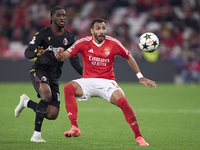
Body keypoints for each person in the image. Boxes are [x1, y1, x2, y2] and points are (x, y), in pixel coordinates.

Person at [54, 18, 157, 146]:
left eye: (103, 28)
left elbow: (128, 57)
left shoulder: (113, 43)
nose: (101, 31)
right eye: (98, 28)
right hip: (88, 80)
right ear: (92, 31)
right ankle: (74, 127)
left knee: (123, 102)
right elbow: (64, 56)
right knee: (68, 88)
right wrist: (58, 56)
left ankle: (139, 137)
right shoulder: (83, 42)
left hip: (107, 81)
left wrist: (140, 76)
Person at [14, 6, 83, 142]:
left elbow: (75, 61)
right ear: (52, 18)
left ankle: (26, 102)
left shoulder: (69, 38)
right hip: (39, 69)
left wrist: (86, 74)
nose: (62, 17)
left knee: (52, 114)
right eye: (58, 15)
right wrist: (36, 54)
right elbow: (27, 52)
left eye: (64, 15)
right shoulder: (42, 34)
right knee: (46, 94)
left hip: (54, 76)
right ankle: (36, 135)